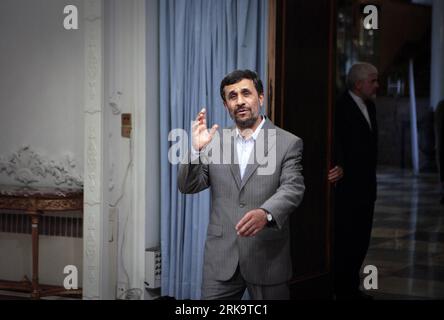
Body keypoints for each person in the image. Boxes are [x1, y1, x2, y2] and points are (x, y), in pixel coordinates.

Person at [178, 69, 305, 300]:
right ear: (226, 105)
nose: (240, 101)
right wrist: (195, 149)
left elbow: (293, 188)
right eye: (232, 96)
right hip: (221, 259)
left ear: (261, 97)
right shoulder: (215, 141)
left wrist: (266, 214)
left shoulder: (288, 143)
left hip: (267, 257)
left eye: (246, 93)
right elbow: (188, 186)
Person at [328, 62, 379, 300]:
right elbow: (337, 143)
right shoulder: (340, 107)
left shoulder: (370, 105)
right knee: (347, 239)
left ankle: (351, 287)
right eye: (373, 80)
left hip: (367, 186)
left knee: (362, 238)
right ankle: (343, 289)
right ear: (359, 84)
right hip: (348, 188)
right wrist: (340, 166)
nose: (377, 85)